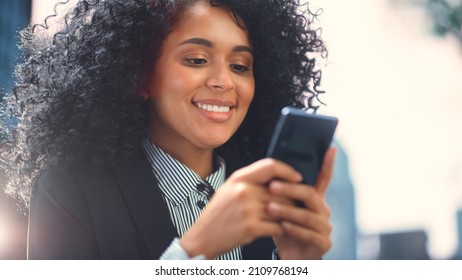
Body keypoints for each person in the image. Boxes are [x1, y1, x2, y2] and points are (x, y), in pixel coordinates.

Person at [0, 0, 335, 260]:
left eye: (239, 66)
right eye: (197, 60)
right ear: (141, 76)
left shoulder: (268, 204)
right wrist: (191, 252)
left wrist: (295, 263)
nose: (223, 81)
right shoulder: (69, 191)